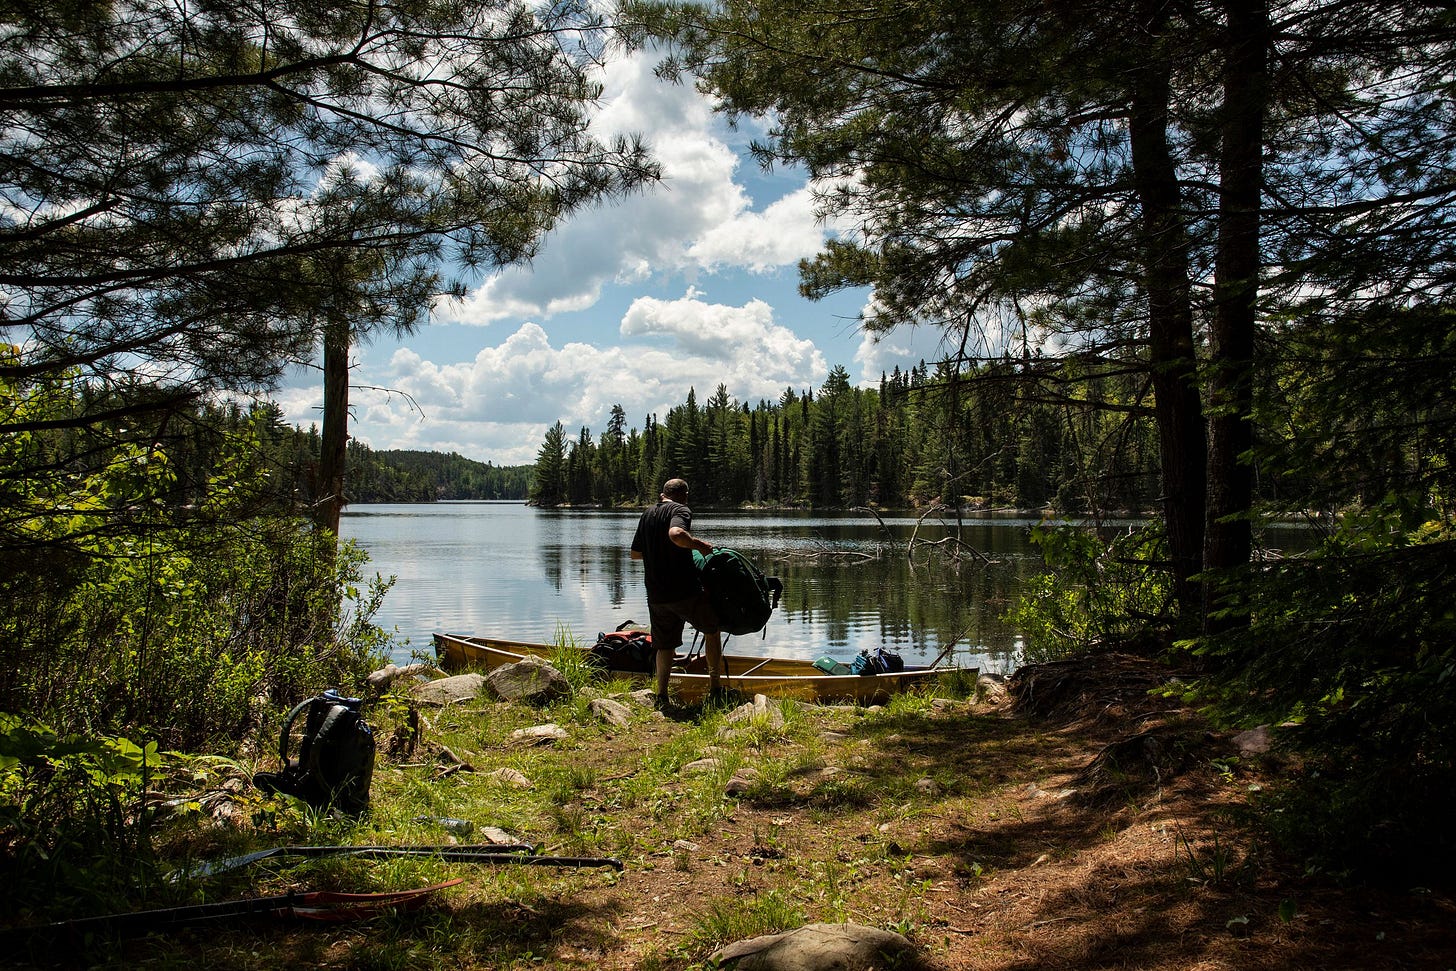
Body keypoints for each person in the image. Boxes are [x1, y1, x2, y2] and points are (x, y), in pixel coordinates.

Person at [629, 477, 724, 704]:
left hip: (656, 593)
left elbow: (635, 553)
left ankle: (662, 694)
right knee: (712, 630)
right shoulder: (681, 509)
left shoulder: (648, 513)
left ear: (663, 493)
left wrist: (657, 554)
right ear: (684, 495)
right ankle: (715, 689)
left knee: (664, 645)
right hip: (684, 591)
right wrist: (700, 546)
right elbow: (676, 534)